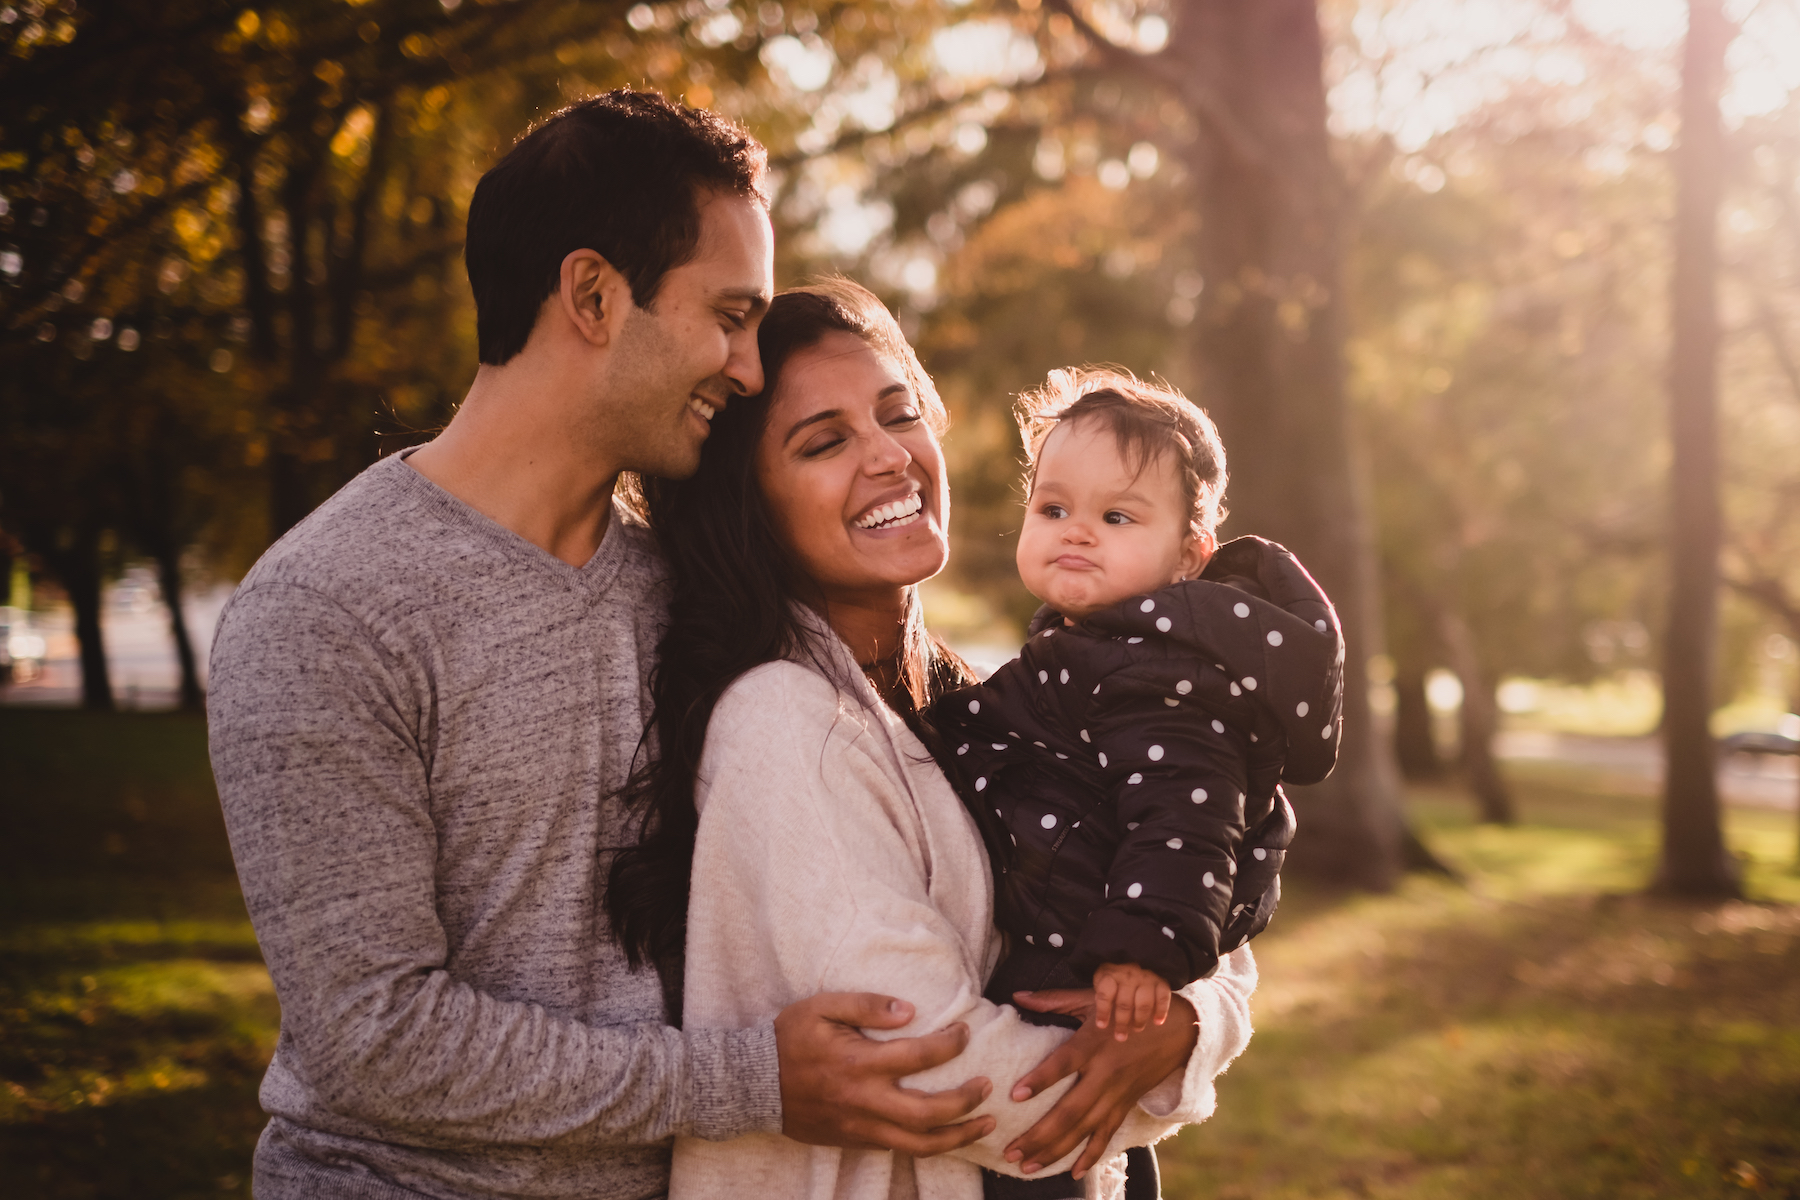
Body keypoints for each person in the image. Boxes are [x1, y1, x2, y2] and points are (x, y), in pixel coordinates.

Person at [206, 91, 996, 1200]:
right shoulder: (325, 611)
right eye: (728, 316)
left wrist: (1187, 1006)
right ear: (592, 295)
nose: (751, 366)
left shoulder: (698, 592)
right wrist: (749, 1080)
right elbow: (372, 1037)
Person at [610, 280, 1259, 1200]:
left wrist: (1188, 1023)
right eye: (823, 441)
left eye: (898, 412)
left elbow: (1212, 907)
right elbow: (949, 1074)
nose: (888, 456)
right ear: (750, 506)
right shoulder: (784, 724)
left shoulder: (995, 699)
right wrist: (1148, 1058)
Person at [930, 370, 1344, 1198]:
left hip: (1084, 982)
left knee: (1056, 1155)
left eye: (1117, 517)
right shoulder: (1084, 648)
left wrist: (1141, 951)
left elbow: (1188, 819)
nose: (1077, 532)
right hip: (1052, 960)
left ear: (1188, 558)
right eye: (1053, 509)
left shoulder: (1169, 679)